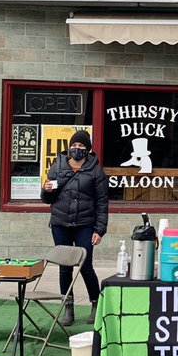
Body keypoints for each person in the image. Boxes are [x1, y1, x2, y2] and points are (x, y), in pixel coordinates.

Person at [41, 129, 108, 325]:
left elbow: (102, 202)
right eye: (74, 145)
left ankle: (95, 304)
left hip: (84, 224)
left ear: (88, 149)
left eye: (81, 146)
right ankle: (68, 306)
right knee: (65, 267)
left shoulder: (96, 171)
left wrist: (99, 229)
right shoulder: (58, 166)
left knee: (85, 265)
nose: (77, 148)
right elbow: (47, 199)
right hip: (60, 223)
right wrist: (46, 190)